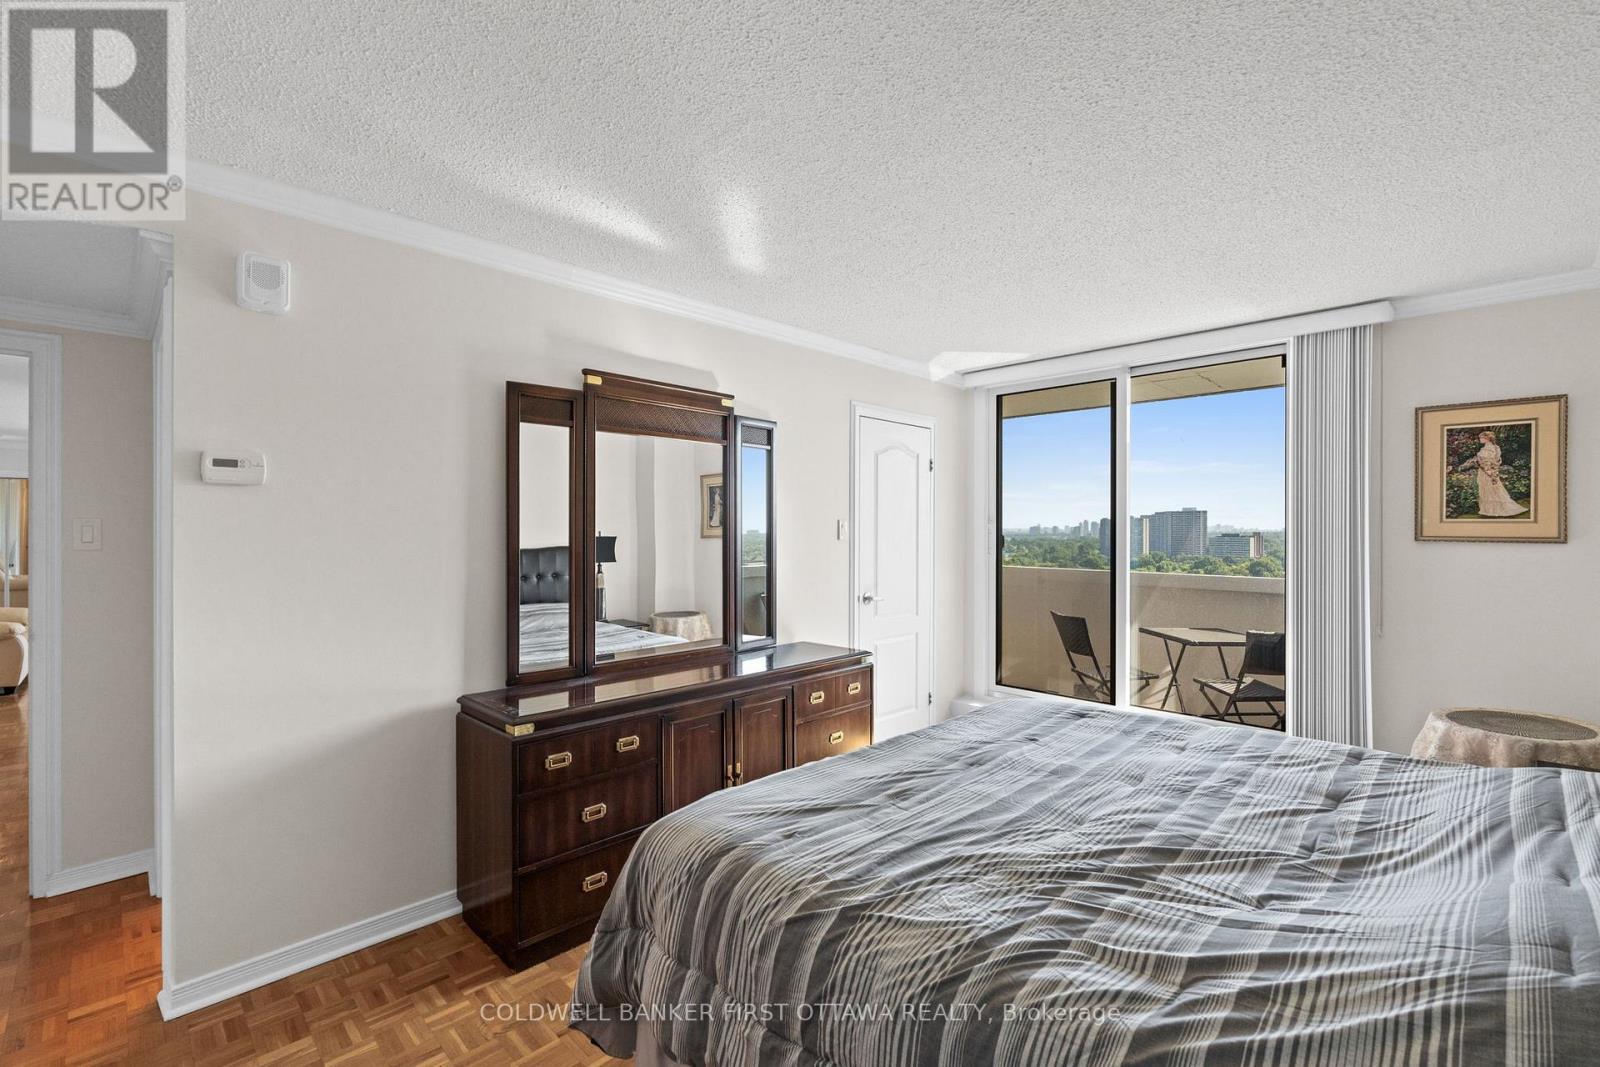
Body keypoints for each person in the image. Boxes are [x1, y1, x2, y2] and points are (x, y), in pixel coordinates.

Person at [1458, 430, 1528, 517]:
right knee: (1488, 489)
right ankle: (1488, 510)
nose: (1480, 439)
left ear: (1487, 438)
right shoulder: (1493, 447)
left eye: (1481, 437)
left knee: (1491, 489)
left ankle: (1495, 510)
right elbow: (1496, 461)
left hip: (1487, 471)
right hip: (1489, 471)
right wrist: (1492, 469)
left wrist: (1488, 470)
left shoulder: (1489, 448)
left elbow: (1491, 461)